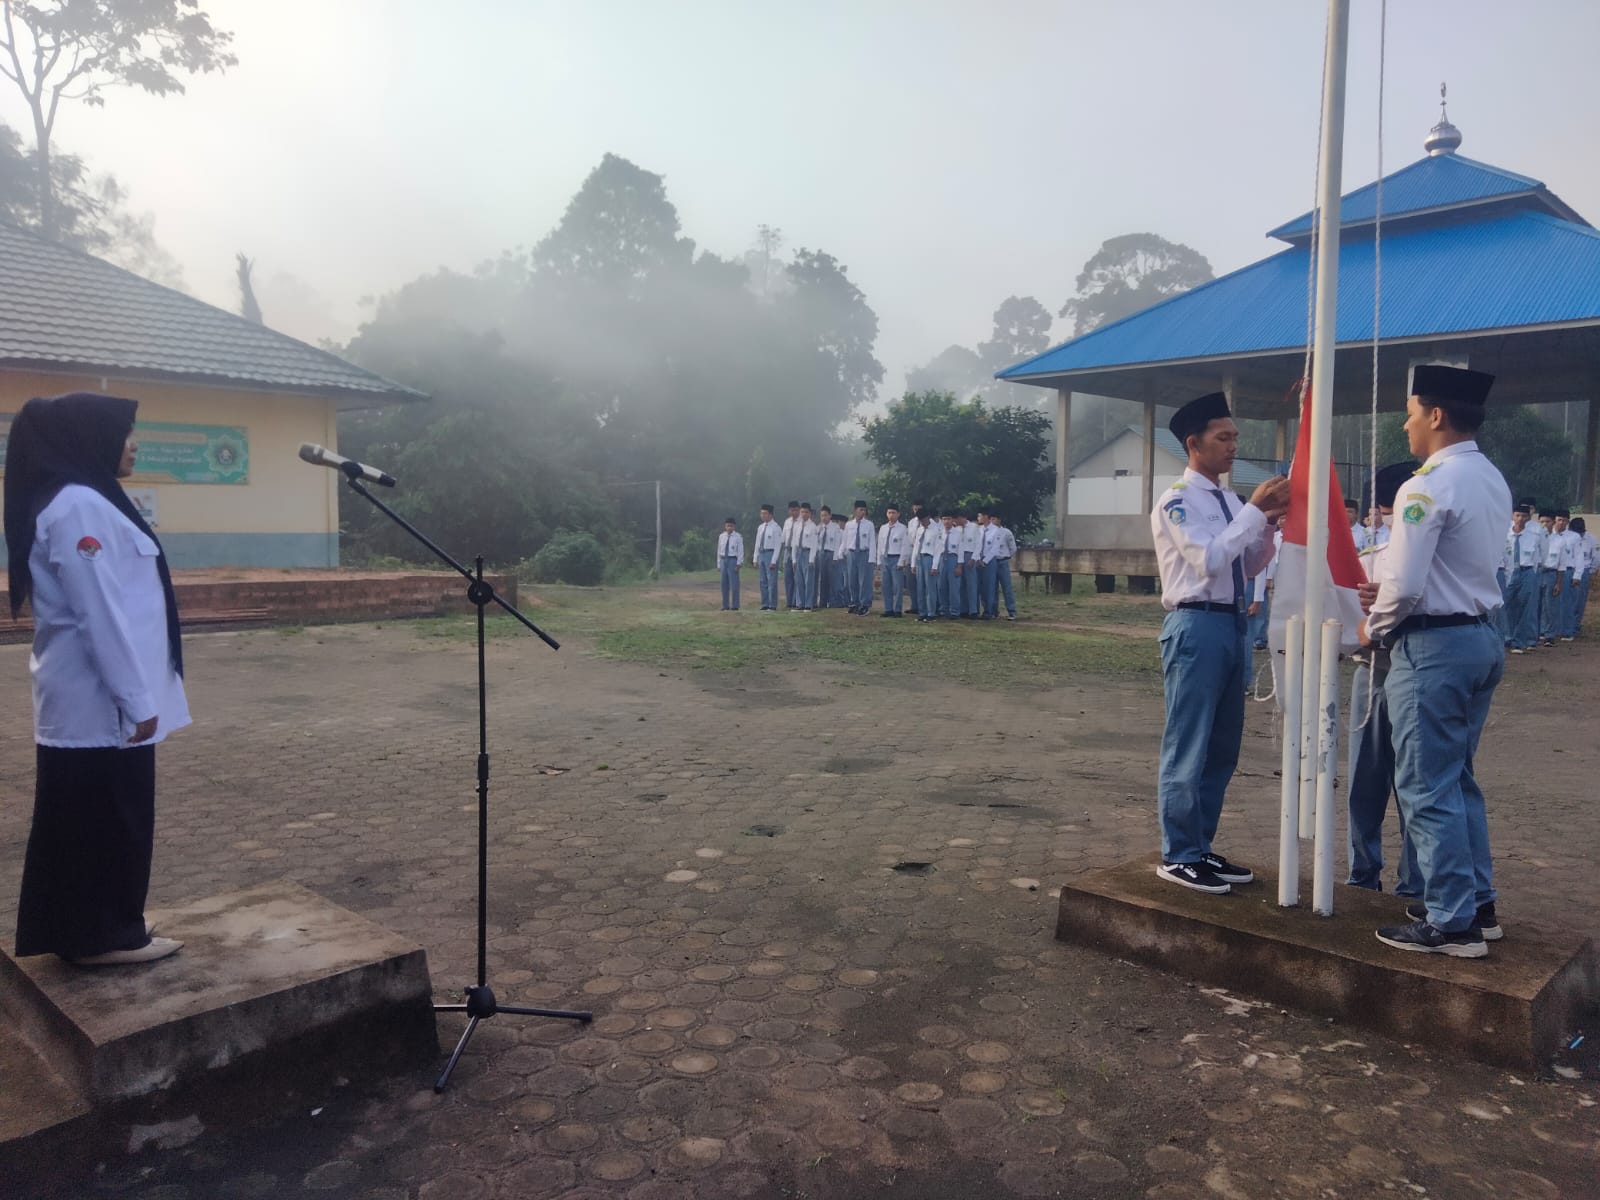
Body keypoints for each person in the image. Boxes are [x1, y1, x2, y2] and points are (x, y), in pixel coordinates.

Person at [7, 393, 190, 966]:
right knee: (110, 817)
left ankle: (88, 928)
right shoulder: (79, 506)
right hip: (101, 705)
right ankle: (106, 935)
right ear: (91, 438)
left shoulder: (84, 500)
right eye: (126, 433)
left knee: (83, 819)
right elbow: (99, 614)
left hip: (93, 702)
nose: (133, 443)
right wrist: (136, 701)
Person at [1360, 365, 1509, 958]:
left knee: (1424, 784)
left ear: (1436, 416)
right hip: (1478, 638)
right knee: (1457, 780)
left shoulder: (1426, 485)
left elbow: (1403, 580)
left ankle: (1452, 923)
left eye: (1412, 412)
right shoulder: (1489, 476)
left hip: (1434, 649)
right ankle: (1477, 901)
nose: (1406, 424)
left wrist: (1374, 629)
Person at [1150, 392, 1288, 894]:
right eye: (1222, 437)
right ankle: (1178, 852)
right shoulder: (1177, 501)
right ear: (1194, 444)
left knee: (1222, 744)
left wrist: (1267, 528)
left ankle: (1200, 844)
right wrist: (1254, 514)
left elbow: (1242, 567)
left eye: (1235, 437)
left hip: (1232, 623)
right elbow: (1207, 561)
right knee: (1189, 742)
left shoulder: (1230, 501)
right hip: (1196, 625)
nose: (1233, 446)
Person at [1346, 461, 1421, 898]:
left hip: (1415, 671)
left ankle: (1414, 882)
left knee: (1415, 784)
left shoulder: (1430, 559)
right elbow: (1349, 626)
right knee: (1365, 780)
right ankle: (1363, 873)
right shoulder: (1369, 562)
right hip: (1373, 674)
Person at [1503, 503, 1541, 652]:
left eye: (1524, 516)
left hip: (1527, 571)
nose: (1520, 519)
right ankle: (1506, 636)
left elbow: (1539, 557)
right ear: (1512, 516)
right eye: (1517, 515)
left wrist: (1532, 574)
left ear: (1528, 518)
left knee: (1524, 606)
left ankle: (1518, 641)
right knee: (1505, 605)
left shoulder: (1534, 536)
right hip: (1510, 572)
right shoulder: (1505, 534)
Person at [842, 501, 876, 615]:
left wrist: (872, 558)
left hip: (864, 553)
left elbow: (872, 542)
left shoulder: (869, 524)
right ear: (855, 510)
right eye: (860, 509)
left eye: (864, 510)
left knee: (864, 581)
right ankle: (854, 602)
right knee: (852, 580)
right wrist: (842, 553)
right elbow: (845, 540)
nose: (862, 512)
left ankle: (864, 604)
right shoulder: (849, 524)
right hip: (852, 553)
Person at [875, 503, 909, 616]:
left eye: (893, 513)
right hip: (885, 558)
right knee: (886, 585)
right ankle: (888, 609)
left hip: (896, 558)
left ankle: (897, 609)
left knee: (898, 586)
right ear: (886, 514)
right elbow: (879, 544)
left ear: (898, 514)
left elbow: (905, 546)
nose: (891, 515)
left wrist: (901, 561)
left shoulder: (902, 528)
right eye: (889, 513)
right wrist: (879, 561)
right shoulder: (883, 528)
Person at [984, 513, 1018, 621]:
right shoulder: (988, 532)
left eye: (994, 519)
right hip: (992, 561)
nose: (992, 521)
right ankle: (994, 611)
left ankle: (1012, 611)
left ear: (999, 520)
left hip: (1002, 561)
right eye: (991, 519)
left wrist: (1007, 557)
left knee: (1006, 587)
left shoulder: (1006, 532)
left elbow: (1013, 548)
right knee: (992, 588)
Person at [1568, 517, 1595, 638]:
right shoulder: (1567, 537)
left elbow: (1596, 557)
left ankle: (1575, 626)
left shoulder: (1591, 539)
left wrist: (1589, 571)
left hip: (1584, 570)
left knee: (1579, 601)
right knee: (1566, 600)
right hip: (1568, 570)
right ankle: (1565, 625)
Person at [752, 504, 782, 611]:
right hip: (762, 553)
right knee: (762, 581)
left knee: (771, 581)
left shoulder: (776, 528)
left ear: (770, 514)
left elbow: (778, 546)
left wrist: (774, 560)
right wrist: (755, 558)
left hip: (770, 553)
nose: (762, 515)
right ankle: (764, 604)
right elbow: (757, 543)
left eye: (765, 513)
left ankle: (772, 605)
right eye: (761, 513)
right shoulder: (760, 527)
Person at [918, 511, 946, 622]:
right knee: (921, 587)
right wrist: (913, 562)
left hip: (930, 558)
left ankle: (931, 613)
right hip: (920, 558)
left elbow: (938, 549)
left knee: (930, 588)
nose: (922, 522)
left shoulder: (936, 531)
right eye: (920, 520)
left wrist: (935, 566)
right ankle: (922, 612)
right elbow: (916, 545)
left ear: (928, 518)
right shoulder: (920, 530)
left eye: (923, 520)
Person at [794, 503, 819, 612]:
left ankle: (808, 604)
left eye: (806, 512)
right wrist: (794, 559)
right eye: (802, 512)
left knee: (808, 580)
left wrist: (811, 559)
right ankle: (800, 603)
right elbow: (794, 543)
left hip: (808, 553)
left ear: (809, 513)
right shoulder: (797, 525)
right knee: (799, 580)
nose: (804, 514)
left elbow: (814, 545)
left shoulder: (813, 526)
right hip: (799, 552)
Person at [717, 517, 744, 611]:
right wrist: (719, 564)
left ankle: (735, 605)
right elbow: (719, 550)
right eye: (728, 526)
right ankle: (725, 605)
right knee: (724, 584)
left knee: (734, 584)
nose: (729, 528)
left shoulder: (738, 537)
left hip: (733, 559)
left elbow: (740, 551)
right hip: (723, 559)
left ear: (734, 526)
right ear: (725, 526)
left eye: (731, 526)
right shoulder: (722, 536)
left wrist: (739, 563)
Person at [814, 506, 839, 609]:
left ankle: (832, 601)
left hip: (831, 553)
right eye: (822, 515)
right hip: (821, 553)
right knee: (822, 578)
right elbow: (815, 542)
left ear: (830, 516)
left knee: (831, 579)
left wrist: (835, 557)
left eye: (825, 515)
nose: (823, 518)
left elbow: (837, 543)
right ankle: (822, 602)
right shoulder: (818, 527)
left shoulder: (835, 527)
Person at [778, 500, 801, 609]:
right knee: (788, 577)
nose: (794, 512)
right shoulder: (787, 522)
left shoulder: (802, 522)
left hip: (796, 550)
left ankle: (796, 600)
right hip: (787, 550)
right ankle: (789, 601)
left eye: (796, 510)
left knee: (797, 576)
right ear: (789, 511)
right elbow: (783, 538)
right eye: (792, 510)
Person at [960, 513, 982, 618]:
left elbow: (978, 543)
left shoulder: (973, 527)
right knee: (961, 584)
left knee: (972, 584)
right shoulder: (957, 529)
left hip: (970, 554)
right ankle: (964, 609)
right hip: (960, 555)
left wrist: (974, 557)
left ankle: (973, 610)